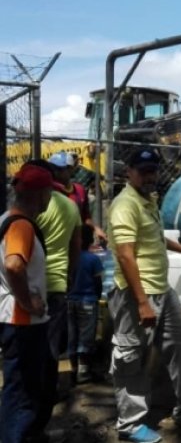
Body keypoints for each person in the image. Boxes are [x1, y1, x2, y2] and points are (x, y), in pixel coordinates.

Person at [107, 148, 181, 443]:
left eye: (153, 170)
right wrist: (142, 302)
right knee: (132, 357)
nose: (150, 176)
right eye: (143, 171)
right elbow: (126, 255)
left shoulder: (148, 201)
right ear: (128, 172)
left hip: (161, 290)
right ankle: (130, 425)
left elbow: (154, 237)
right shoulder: (125, 205)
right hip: (136, 293)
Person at [0, 163, 54, 443]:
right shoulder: (21, 225)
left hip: (15, 320)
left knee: (23, 387)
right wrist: (29, 302)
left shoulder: (5, 219)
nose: (50, 198)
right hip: (23, 322)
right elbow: (13, 266)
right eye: (49, 192)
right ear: (40, 193)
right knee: (22, 392)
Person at [31, 158, 82, 406]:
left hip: (28, 285)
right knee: (52, 345)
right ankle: (49, 391)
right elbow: (76, 246)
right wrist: (69, 274)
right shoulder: (70, 206)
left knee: (25, 344)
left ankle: (32, 393)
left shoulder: (32, 207)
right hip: (58, 283)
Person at [67, 224, 104, 385]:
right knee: (86, 337)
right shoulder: (93, 259)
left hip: (69, 301)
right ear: (90, 240)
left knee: (72, 336)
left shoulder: (69, 257)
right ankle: (84, 372)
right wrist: (96, 297)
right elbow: (98, 283)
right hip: (88, 301)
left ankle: (73, 371)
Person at [49, 151, 107, 242]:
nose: (55, 172)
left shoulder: (80, 190)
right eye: (52, 169)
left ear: (70, 169)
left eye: (60, 169)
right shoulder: (49, 191)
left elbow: (85, 217)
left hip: (76, 240)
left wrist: (96, 229)